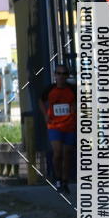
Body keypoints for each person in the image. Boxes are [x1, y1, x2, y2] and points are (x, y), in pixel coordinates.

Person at [39, 63, 76, 195]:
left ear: (67, 76)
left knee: (67, 154)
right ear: (55, 75)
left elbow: (79, 101)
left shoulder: (72, 89)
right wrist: (45, 115)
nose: (61, 76)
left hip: (69, 126)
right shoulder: (49, 89)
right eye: (58, 74)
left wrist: (74, 108)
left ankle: (65, 181)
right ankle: (58, 179)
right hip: (54, 126)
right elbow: (41, 100)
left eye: (64, 74)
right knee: (58, 153)